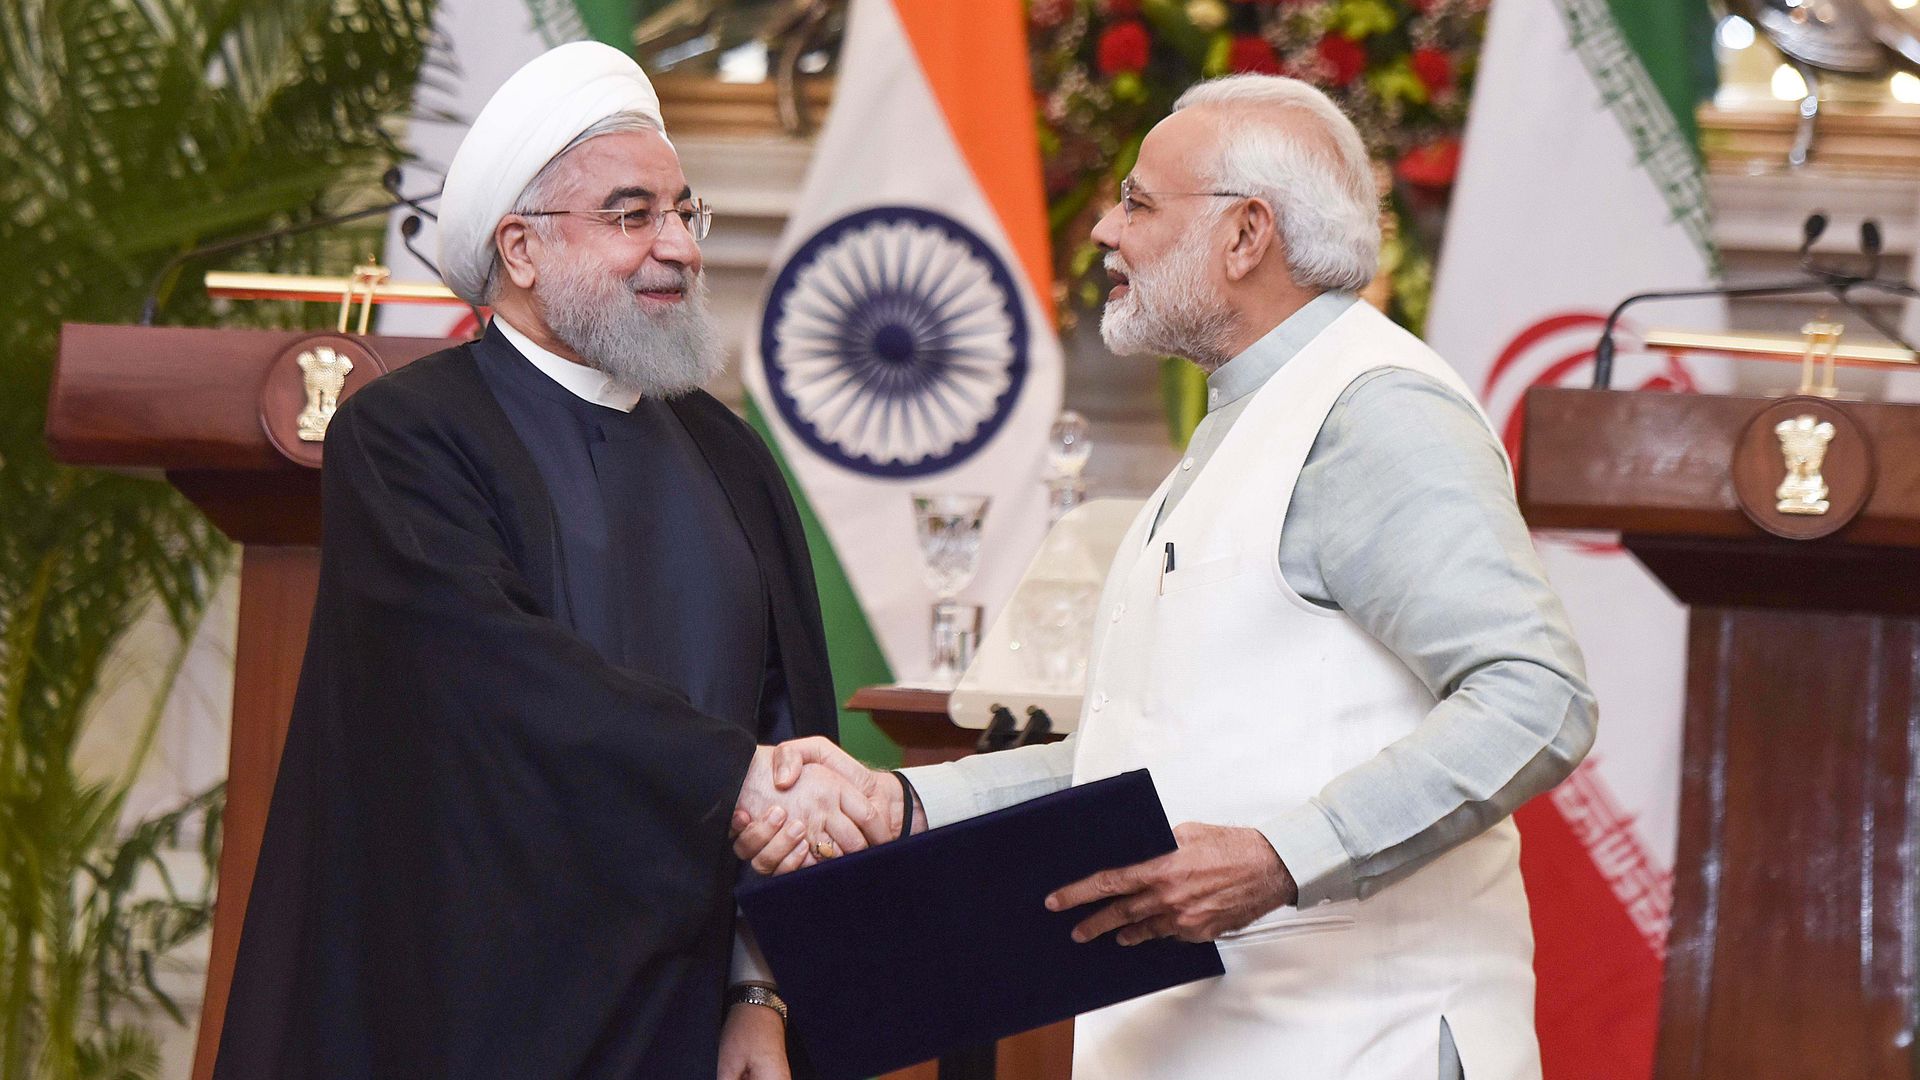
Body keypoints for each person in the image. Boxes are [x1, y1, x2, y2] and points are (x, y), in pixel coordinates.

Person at [735, 74, 1597, 1080]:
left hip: (1360, 1044)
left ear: (1246, 235)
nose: (1105, 230)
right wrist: (900, 803)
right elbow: (1138, 759)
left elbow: (1538, 696)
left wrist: (1284, 858)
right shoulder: (1247, 418)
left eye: (1139, 203)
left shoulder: (1376, 411)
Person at [214, 42, 888, 1080]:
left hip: (685, 1015)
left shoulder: (729, 453)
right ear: (521, 249)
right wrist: (736, 781)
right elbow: (494, 678)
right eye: (631, 215)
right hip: (472, 1010)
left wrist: (757, 994)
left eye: (684, 211)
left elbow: (784, 715)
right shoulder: (405, 436)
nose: (679, 247)